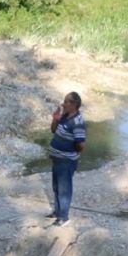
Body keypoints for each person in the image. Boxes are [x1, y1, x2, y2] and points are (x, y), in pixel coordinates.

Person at [47, 91, 86, 226]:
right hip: (57, 159)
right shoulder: (64, 116)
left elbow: (81, 144)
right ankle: (57, 212)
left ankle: (64, 217)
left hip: (66, 161)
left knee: (64, 190)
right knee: (56, 187)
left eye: (66, 101)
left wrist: (72, 152)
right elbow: (53, 130)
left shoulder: (77, 122)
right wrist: (56, 118)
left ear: (74, 104)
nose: (63, 104)